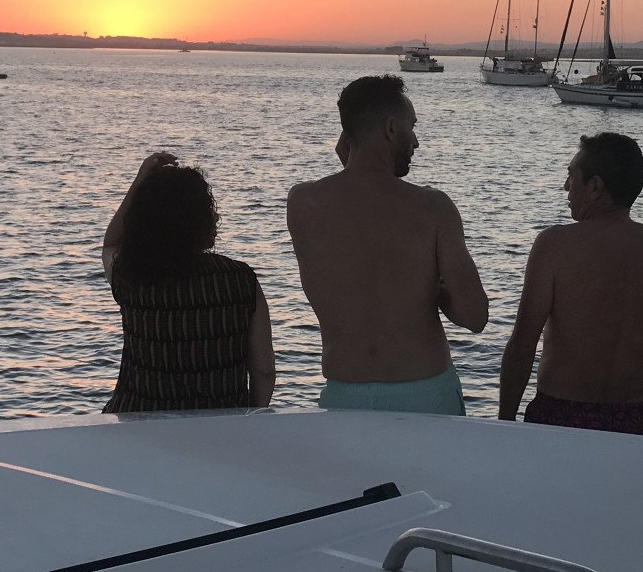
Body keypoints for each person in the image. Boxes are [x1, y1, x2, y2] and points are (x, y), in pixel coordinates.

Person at [287, 75, 488, 415]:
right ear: (392, 128)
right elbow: (475, 316)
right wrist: (432, 289)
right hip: (426, 396)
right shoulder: (433, 208)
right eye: (412, 126)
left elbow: (359, 206)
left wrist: (356, 158)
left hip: (344, 397)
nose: (417, 141)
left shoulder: (303, 202)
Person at [498, 132, 643, 436]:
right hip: (636, 423)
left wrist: (504, 424)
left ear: (595, 186)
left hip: (559, 418)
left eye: (571, 176)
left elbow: (522, 346)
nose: (565, 187)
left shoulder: (554, 245)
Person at [101, 152, 275, 412]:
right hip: (220, 426)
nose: (216, 218)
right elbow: (263, 371)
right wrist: (247, 419)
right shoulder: (240, 279)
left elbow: (112, 243)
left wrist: (140, 181)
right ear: (199, 221)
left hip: (138, 423)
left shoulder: (132, 276)